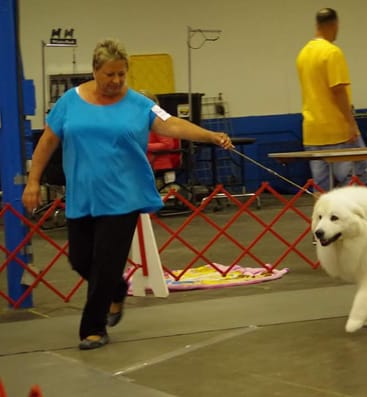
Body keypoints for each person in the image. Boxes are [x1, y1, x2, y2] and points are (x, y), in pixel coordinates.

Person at [22, 39, 233, 350]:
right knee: (80, 260)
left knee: (106, 262)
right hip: (84, 194)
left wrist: (211, 136)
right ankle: (117, 291)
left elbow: (171, 124)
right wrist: (32, 181)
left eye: (122, 74)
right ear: (95, 71)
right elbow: (48, 142)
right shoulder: (69, 102)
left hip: (125, 195)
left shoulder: (139, 104)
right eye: (110, 74)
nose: (117, 81)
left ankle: (93, 329)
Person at [296, 8, 367, 191]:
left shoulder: (303, 54)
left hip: (313, 133)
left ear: (316, 25)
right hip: (338, 130)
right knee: (357, 182)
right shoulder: (332, 53)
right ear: (335, 25)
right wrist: (351, 123)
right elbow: (338, 91)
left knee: (322, 188)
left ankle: (318, 220)